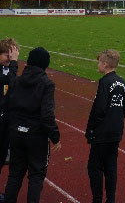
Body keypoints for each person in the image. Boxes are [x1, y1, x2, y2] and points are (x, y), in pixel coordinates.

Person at [3, 47, 61, 203]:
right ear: (45, 65)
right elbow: (47, 115)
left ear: (29, 61)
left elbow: (6, 105)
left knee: (15, 173)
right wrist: (55, 136)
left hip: (16, 133)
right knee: (36, 175)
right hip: (36, 136)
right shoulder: (47, 84)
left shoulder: (16, 81)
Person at [86, 50, 125, 203]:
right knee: (111, 166)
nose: (98, 65)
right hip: (116, 131)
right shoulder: (122, 82)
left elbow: (99, 108)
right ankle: (111, 199)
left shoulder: (104, 82)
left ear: (105, 64)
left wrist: (91, 128)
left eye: (99, 62)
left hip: (102, 132)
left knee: (95, 167)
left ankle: (97, 199)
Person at [0, 39, 19, 193]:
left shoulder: (6, 69)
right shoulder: (7, 71)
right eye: (7, 55)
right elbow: (9, 81)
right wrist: (14, 63)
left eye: (12, 55)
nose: (10, 58)